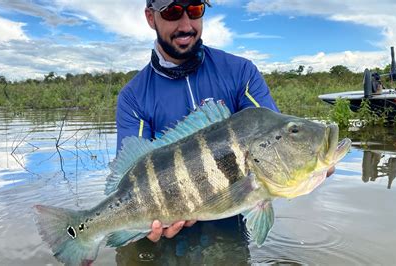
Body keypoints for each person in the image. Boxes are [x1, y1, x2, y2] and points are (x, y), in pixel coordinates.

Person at [116, 0, 330, 245]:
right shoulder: (133, 96)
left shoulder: (241, 72)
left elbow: (273, 138)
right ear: (151, 17)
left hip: (230, 237)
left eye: (195, 9)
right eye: (172, 11)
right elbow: (130, 173)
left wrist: (312, 158)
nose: (186, 24)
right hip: (164, 240)